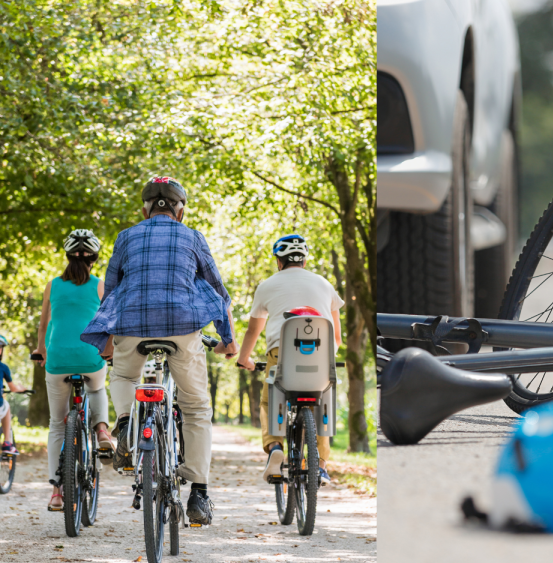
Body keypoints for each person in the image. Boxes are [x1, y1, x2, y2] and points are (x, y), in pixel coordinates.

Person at [81, 176, 239, 525]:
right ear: (180, 211)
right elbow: (218, 292)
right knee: (196, 407)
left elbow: (111, 291)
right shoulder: (193, 237)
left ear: (145, 210)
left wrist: (106, 335)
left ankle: (126, 423)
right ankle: (199, 493)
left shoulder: (125, 237)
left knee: (124, 376)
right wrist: (228, 340)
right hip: (183, 327)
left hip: (132, 325)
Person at [237, 234, 344, 485]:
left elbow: (253, 331)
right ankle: (321, 465)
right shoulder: (324, 284)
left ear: (279, 261)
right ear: (304, 260)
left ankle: (275, 447)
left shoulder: (266, 286)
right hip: (321, 357)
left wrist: (244, 359)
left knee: (269, 399)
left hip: (281, 355)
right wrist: (328, 358)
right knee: (322, 400)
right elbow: (336, 337)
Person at [32, 230, 114, 511]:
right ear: (94, 258)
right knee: (97, 386)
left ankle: (56, 492)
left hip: (57, 360)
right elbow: (109, 324)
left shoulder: (52, 285)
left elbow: (44, 324)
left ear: (67, 256)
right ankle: (101, 430)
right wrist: (109, 351)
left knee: (57, 424)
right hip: (90, 356)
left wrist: (41, 350)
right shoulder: (100, 285)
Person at [0, 335, 30, 456]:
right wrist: (21, 389)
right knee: (6, 405)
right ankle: (7, 442)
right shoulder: (3, 367)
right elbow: (12, 388)